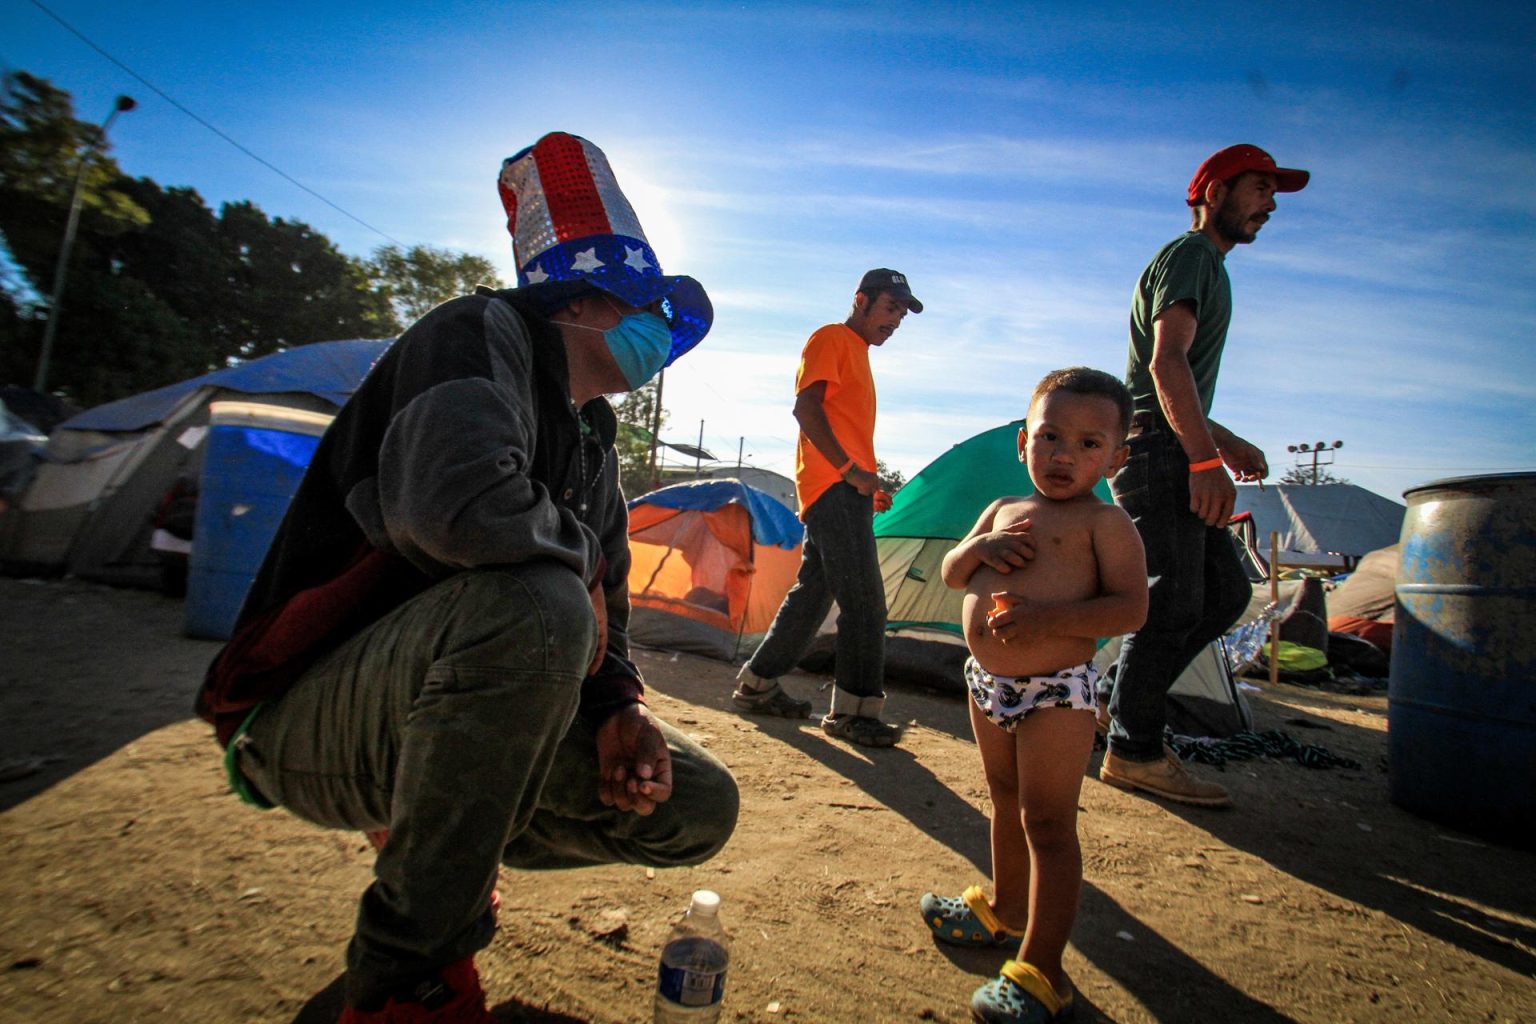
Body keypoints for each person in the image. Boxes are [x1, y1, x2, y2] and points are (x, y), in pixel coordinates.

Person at [193, 132, 739, 1024]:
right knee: (539, 601)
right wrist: (582, 590)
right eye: (632, 305)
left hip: (431, 719)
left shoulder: (594, 446)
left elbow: (610, 620)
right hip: (297, 722)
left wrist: (619, 710)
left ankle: (440, 865)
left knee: (696, 805)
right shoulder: (474, 334)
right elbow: (458, 508)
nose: (651, 335)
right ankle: (407, 976)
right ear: (576, 303)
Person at [921, 367, 1147, 1023]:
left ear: (1116, 457)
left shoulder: (1106, 524)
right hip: (988, 681)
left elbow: (1130, 609)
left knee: (1048, 823)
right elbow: (952, 571)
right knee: (1004, 798)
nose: (1063, 456)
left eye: (1087, 443)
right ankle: (1004, 908)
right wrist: (980, 545)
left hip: (1055, 692)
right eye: (1050, 436)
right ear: (1024, 441)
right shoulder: (1001, 511)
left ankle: (1043, 969)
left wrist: (1048, 622)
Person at [1099, 143, 1309, 807]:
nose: (1270, 205)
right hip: (1158, 452)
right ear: (1215, 191)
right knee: (1176, 600)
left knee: (1221, 595)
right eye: (1260, 189)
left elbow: (1166, 377)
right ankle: (1134, 749)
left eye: (1274, 194)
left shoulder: (1205, 268)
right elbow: (1165, 367)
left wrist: (1224, 437)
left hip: (1170, 442)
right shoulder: (1190, 257)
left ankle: (1114, 704)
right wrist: (1202, 458)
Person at [730, 269, 921, 747]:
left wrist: (863, 483)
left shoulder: (857, 354)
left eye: (901, 313)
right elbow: (806, 408)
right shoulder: (832, 338)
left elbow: (841, 422)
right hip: (833, 485)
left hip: (841, 488)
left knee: (814, 595)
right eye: (890, 307)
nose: (895, 320)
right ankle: (854, 712)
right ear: (861, 300)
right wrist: (847, 471)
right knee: (865, 600)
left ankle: (757, 685)